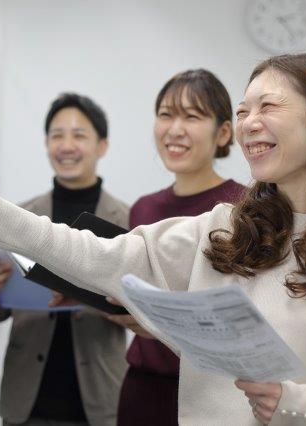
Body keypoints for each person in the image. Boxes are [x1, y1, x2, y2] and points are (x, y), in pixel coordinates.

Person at [0, 53, 306, 425]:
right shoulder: (222, 229)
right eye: (243, 111)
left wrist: (300, 403)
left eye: (268, 106)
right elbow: (100, 255)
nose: (249, 124)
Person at [0, 93, 129, 426]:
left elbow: (138, 308)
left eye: (79, 135)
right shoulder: (20, 216)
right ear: (46, 144)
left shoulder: (127, 221)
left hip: (99, 401)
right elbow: (0, 310)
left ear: (102, 146)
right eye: (57, 135)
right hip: (26, 402)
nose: (66, 146)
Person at [103, 69, 246, 425]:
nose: (175, 129)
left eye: (192, 116)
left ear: (223, 132)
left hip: (213, 394)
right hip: (142, 389)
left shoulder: (244, 209)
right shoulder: (143, 209)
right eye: (166, 114)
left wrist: (159, 324)